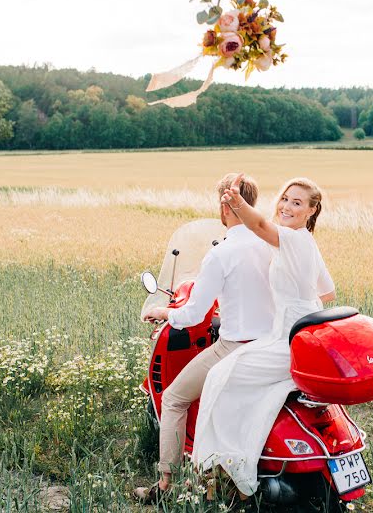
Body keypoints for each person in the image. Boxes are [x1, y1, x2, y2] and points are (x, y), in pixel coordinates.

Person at [192, 174, 335, 496]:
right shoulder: (303, 242)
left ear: (311, 211)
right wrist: (292, 302)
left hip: (287, 339)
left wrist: (236, 201)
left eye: (297, 202)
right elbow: (328, 292)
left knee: (220, 376)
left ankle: (232, 472)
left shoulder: (293, 239)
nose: (286, 205)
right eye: (285, 198)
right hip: (295, 333)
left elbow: (258, 227)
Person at [135, 173, 275, 501]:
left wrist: (163, 312)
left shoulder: (220, 254)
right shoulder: (270, 244)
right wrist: (221, 318)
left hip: (234, 348)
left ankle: (166, 486)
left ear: (225, 206)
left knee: (173, 399)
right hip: (269, 348)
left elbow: (191, 316)